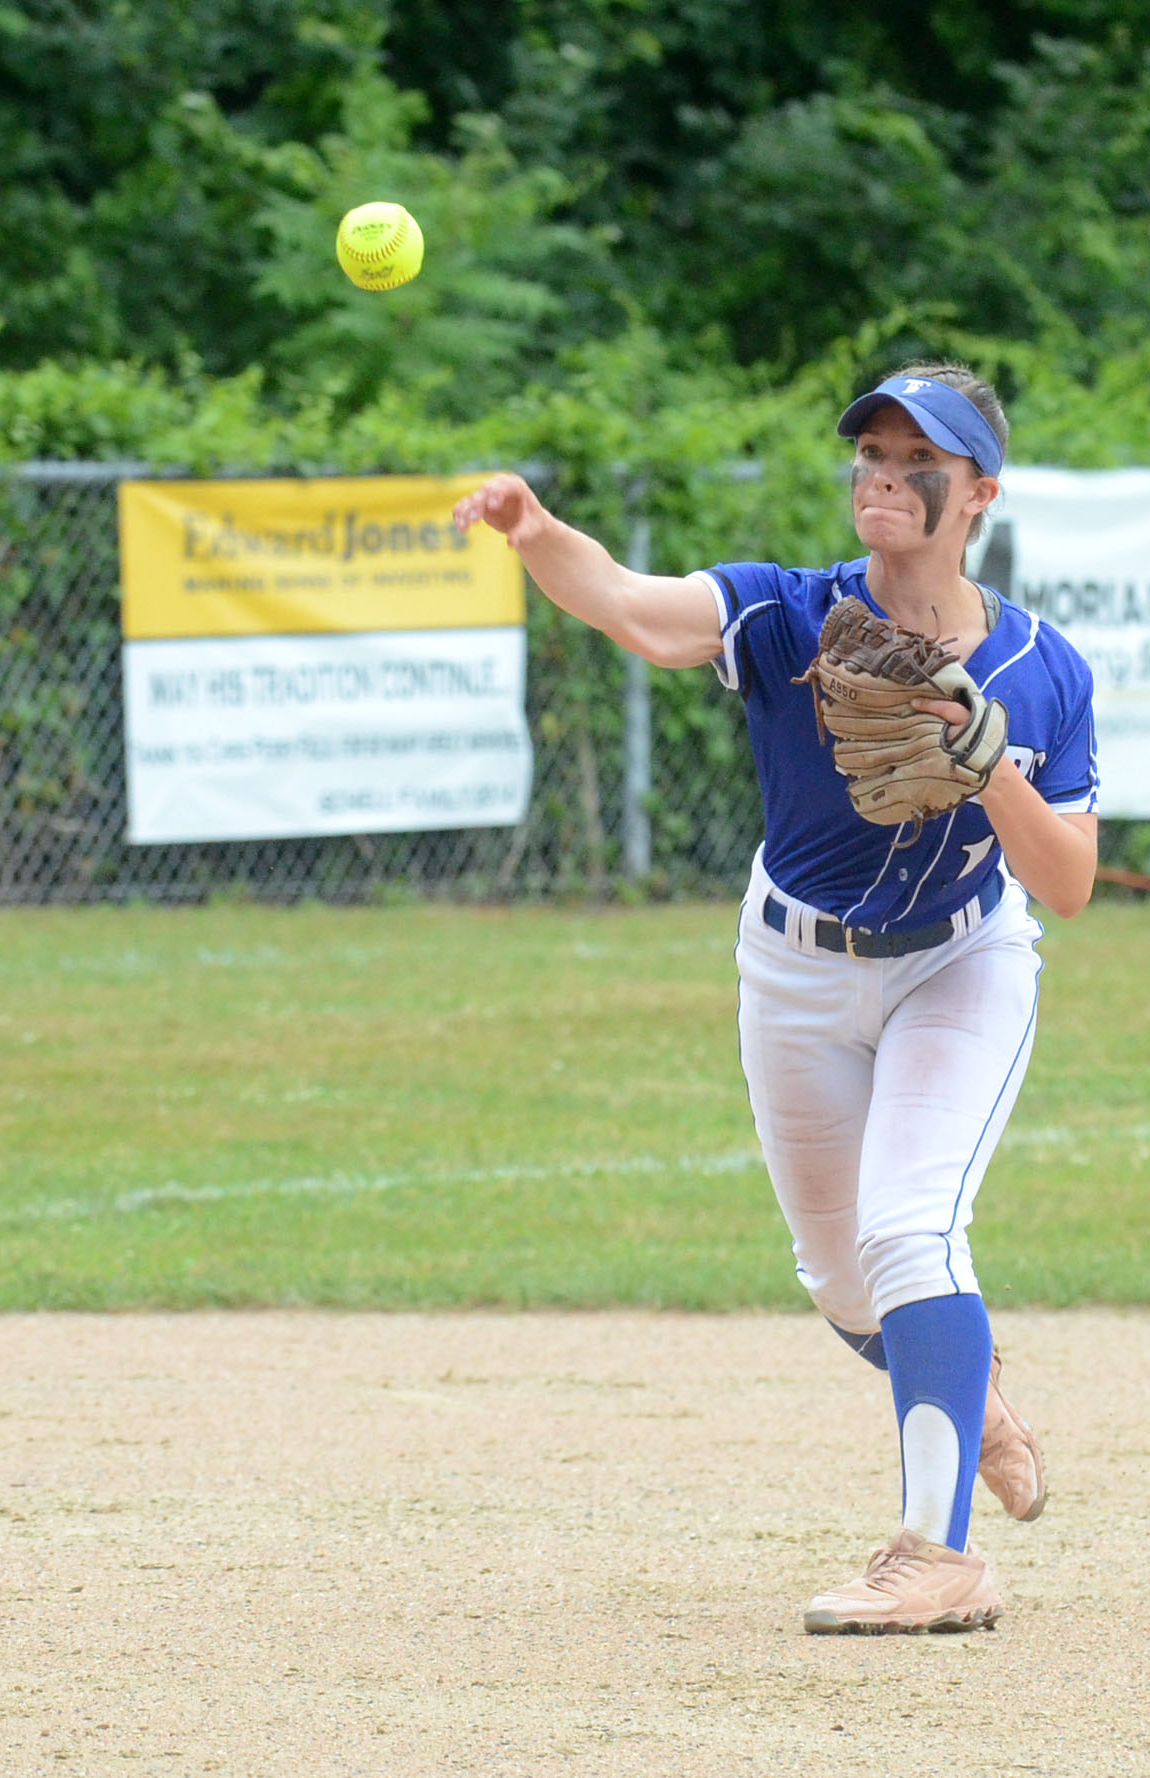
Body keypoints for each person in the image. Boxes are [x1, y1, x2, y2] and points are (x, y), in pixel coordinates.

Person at [451, 362, 1099, 1634]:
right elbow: (638, 609)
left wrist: (988, 773)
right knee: (839, 1277)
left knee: (910, 1230)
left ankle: (936, 1552)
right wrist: (537, 534)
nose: (882, 470)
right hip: (794, 965)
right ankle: (971, 1401)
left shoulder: (1042, 666)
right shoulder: (785, 614)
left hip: (956, 962)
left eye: (919, 456)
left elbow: (1066, 882)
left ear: (976, 493)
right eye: (869, 447)